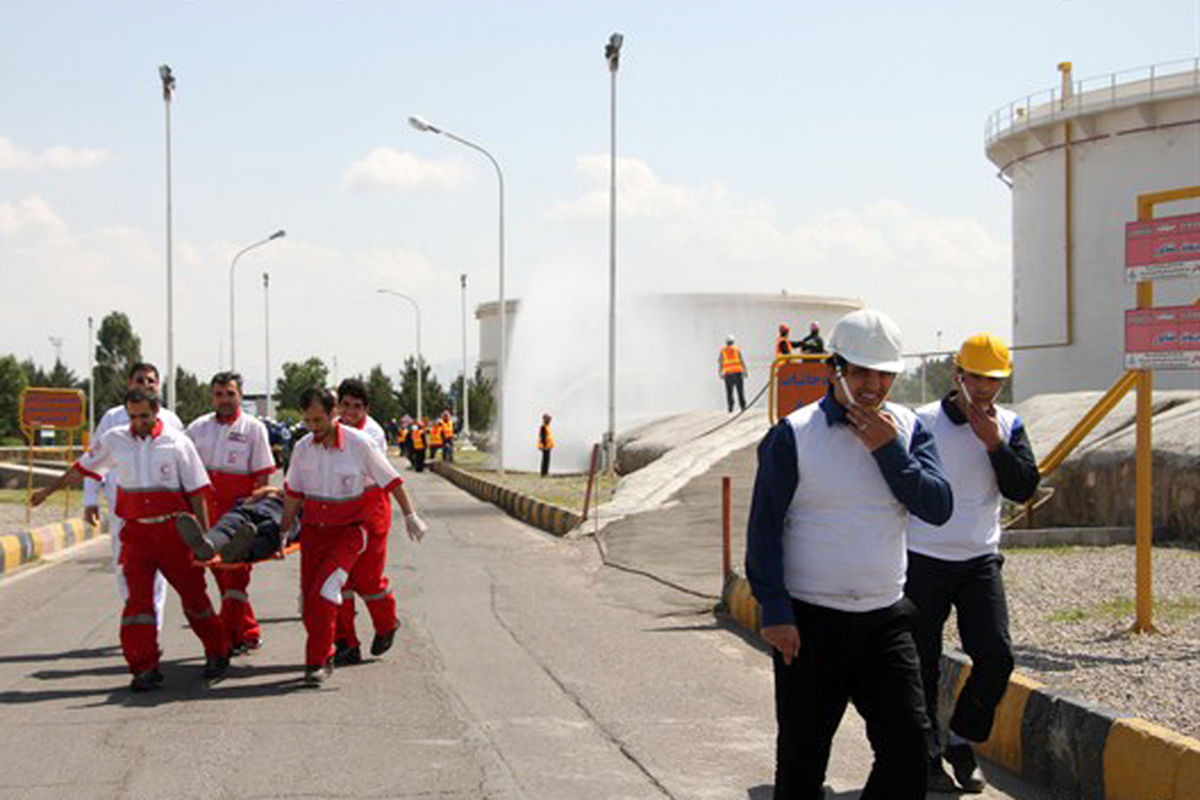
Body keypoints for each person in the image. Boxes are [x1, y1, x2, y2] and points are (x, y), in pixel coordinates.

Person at [744, 308, 953, 799]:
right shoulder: (793, 435)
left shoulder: (907, 430)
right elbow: (764, 530)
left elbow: (938, 506)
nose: (873, 385)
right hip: (810, 625)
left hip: (886, 622)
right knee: (802, 761)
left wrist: (889, 453)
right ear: (833, 368)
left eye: (884, 374)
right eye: (861, 372)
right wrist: (774, 610)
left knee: (907, 754)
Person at [906, 333, 1039, 793]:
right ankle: (924, 757)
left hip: (980, 559)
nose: (984, 390)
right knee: (918, 664)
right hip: (921, 559)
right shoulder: (919, 421)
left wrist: (994, 445)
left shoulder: (1009, 424)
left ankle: (962, 741)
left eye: (994, 381)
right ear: (958, 375)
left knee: (997, 657)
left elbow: (1023, 488)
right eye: (976, 378)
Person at [33, 389, 230, 692]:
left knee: (194, 598)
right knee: (137, 604)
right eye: (133, 416)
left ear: (156, 411)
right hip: (136, 535)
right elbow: (83, 468)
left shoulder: (178, 443)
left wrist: (204, 540)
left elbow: (197, 492)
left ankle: (217, 651)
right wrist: (48, 491)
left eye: (144, 416)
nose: (138, 422)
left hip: (174, 534)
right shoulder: (115, 439)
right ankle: (144, 667)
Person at [279, 387, 427, 686]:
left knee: (329, 591)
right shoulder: (303, 448)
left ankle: (318, 662)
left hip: (350, 532)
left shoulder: (361, 443)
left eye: (318, 420)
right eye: (308, 421)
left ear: (334, 414)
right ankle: (334, 647)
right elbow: (294, 493)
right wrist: (283, 530)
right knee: (310, 601)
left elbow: (392, 481)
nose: (313, 427)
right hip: (313, 533)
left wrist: (410, 515)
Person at [84, 362, 183, 633]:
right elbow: (93, 460)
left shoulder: (172, 421)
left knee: (159, 569)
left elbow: (184, 464)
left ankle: (153, 624)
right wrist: (90, 499)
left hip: (162, 508)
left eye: (151, 380)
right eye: (139, 380)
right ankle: (136, 613)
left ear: (158, 385)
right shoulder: (113, 418)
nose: (145, 385)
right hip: (123, 506)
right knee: (125, 564)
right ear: (130, 384)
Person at [186, 371, 276, 655]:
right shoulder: (198, 428)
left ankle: (225, 640)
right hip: (207, 517)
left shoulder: (254, 429)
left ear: (240, 395)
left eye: (230, 394)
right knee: (222, 578)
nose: (224, 400)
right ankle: (247, 633)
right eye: (219, 394)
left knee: (236, 578)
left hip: (239, 517)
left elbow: (263, 477)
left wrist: (255, 511)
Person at [333, 378, 398, 666]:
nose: (349, 412)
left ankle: (386, 624)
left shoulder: (372, 433)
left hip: (371, 508)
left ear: (366, 409)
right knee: (339, 579)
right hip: (339, 510)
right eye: (345, 405)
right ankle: (346, 641)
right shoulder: (329, 427)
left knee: (369, 580)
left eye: (356, 407)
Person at [176, 485, 299, 564]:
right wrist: (268, 492)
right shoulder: (273, 492)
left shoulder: (305, 506)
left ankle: (242, 551)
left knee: (269, 535)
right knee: (229, 523)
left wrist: (284, 536)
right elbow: (249, 499)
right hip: (252, 510)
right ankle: (207, 545)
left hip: (280, 520)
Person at [718, 334, 747, 413]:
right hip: (738, 373)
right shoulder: (737, 349)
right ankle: (743, 406)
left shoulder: (723, 351)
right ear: (733, 342)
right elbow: (741, 360)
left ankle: (730, 407)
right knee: (740, 391)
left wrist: (720, 372)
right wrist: (745, 371)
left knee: (729, 392)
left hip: (728, 374)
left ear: (726, 342)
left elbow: (720, 362)